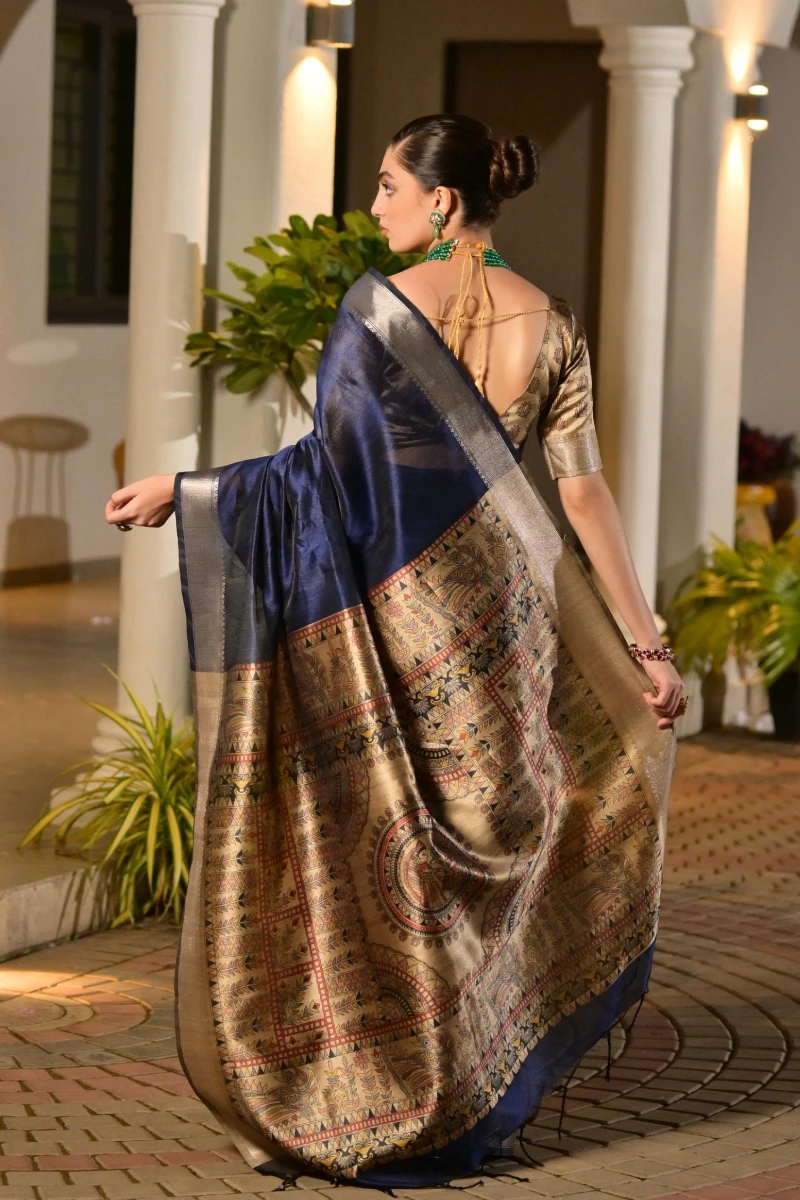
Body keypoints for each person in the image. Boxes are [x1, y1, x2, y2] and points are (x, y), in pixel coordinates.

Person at [106, 114, 684, 1188]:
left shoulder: (375, 311)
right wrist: (644, 647)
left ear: (441, 201)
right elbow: (582, 496)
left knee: (384, 846)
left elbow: (322, 477)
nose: (374, 208)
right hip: (502, 624)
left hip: (385, 620)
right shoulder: (553, 324)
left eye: (386, 186)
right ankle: (463, 1094)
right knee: (489, 841)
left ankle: (381, 1090)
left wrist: (189, 493)